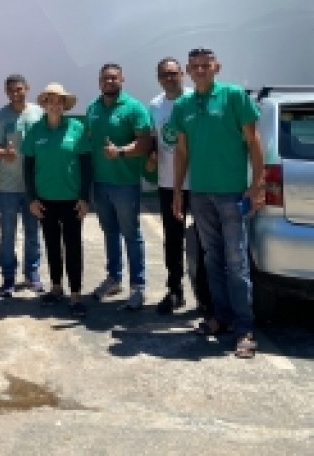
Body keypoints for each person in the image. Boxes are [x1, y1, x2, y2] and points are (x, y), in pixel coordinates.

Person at [171, 48, 265, 359]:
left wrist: (257, 185)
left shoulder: (233, 96)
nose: (200, 70)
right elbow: (182, 151)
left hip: (232, 193)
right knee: (212, 258)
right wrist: (178, 191)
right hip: (200, 194)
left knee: (236, 262)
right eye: (195, 66)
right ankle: (221, 318)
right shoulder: (183, 104)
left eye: (206, 65)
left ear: (216, 67)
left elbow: (253, 141)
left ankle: (244, 329)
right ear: (188, 70)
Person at [86, 63, 152, 309]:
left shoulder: (134, 108)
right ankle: (114, 278)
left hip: (125, 184)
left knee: (131, 235)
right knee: (110, 233)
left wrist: (121, 151)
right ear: (99, 81)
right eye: (105, 78)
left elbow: (145, 142)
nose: (109, 81)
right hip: (100, 183)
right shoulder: (93, 108)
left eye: (114, 78)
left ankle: (138, 287)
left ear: (122, 80)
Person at [22, 82, 91, 318]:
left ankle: (76, 294)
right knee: (51, 245)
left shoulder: (76, 128)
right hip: (45, 200)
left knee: (73, 247)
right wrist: (32, 199)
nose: (54, 105)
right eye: (50, 101)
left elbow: (86, 165)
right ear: (44, 104)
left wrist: (84, 198)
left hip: (72, 200)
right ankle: (56, 287)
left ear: (64, 105)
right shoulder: (35, 130)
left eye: (59, 101)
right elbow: (28, 167)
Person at [148, 57, 210, 314]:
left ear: (182, 74)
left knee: (204, 240)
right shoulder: (155, 105)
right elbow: (154, 138)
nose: (169, 78)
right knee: (172, 240)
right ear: (159, 78)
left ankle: (205, 296)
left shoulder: (196, 99)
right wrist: (151, 155)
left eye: (173, 73)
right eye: (164, 74)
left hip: (198, 182)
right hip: (168, 183)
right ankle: (175, 290)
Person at [0, 74, 44, 297]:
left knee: (33, 231)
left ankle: (32, 273)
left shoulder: (39, 113)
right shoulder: (0, 116)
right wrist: (5, 152)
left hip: (34, 185)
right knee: (7, 233)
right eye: (11, 90)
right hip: (8, 186)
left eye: (19, 89)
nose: (15, 93)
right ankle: (8, 277)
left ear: (27, 88)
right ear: (6, 92)